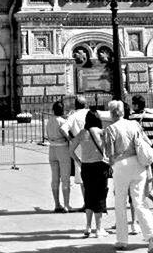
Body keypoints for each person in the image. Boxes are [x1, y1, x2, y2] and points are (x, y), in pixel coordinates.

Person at [103, 99, 153, 253]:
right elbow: (145, 141)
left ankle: (122, 239)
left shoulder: (111, 129)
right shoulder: (134, 124)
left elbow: (109, 153)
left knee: (120, 202)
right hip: (138, 164)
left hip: (121, 165)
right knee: (140, 202)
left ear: (111, 113)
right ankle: (151, 235)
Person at [70, 110, 109, 238]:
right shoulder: (101, 132)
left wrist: (79, 162)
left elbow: (71, 150)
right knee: (100, 196)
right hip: (100, 166)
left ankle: (88, 226)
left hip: (86, 167)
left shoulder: (82, 133)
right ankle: (98, 229)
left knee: (89, 196)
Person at [45, 101, 71, 212]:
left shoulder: (49, 121)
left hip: (52, 148)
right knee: (65, 178)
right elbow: (65, 131)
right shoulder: (63, 121)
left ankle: (57, 204)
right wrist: (70, 139)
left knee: (55, 178)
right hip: (62, 148)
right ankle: (66, 204)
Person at [65, 97, 89, 206]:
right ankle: (92, 201)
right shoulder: (91, 114)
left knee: (82, 175)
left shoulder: (73, 116)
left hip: (78, 147)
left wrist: (71, 139)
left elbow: (63, 128)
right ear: (85, 104)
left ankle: (86, 203)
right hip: (92, 146)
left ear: (75, 105)